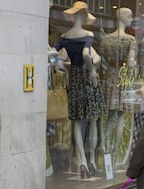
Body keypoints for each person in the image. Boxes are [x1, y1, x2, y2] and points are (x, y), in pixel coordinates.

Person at [54, 1, 105, 178]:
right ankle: (91, 160)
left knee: (76, 120)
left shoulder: (65, 36)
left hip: (74, 78)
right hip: (87, 77)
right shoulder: (87, 34)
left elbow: (53, 55)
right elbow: (85, 54)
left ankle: (82, 160)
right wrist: (91, 70)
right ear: (83, 16)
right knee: (92, 118)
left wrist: (62, 67)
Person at [100, 7, 137, 168]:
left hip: (109, 77)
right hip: (122, 79)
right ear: (122, 17)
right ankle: (115, 155)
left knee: (110, 117)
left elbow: (102, 63)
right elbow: (130, 63)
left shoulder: (106, 39)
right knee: (121, 116)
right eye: (129, 16)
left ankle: (106, 151)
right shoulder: (130, 40)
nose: (131, 19)